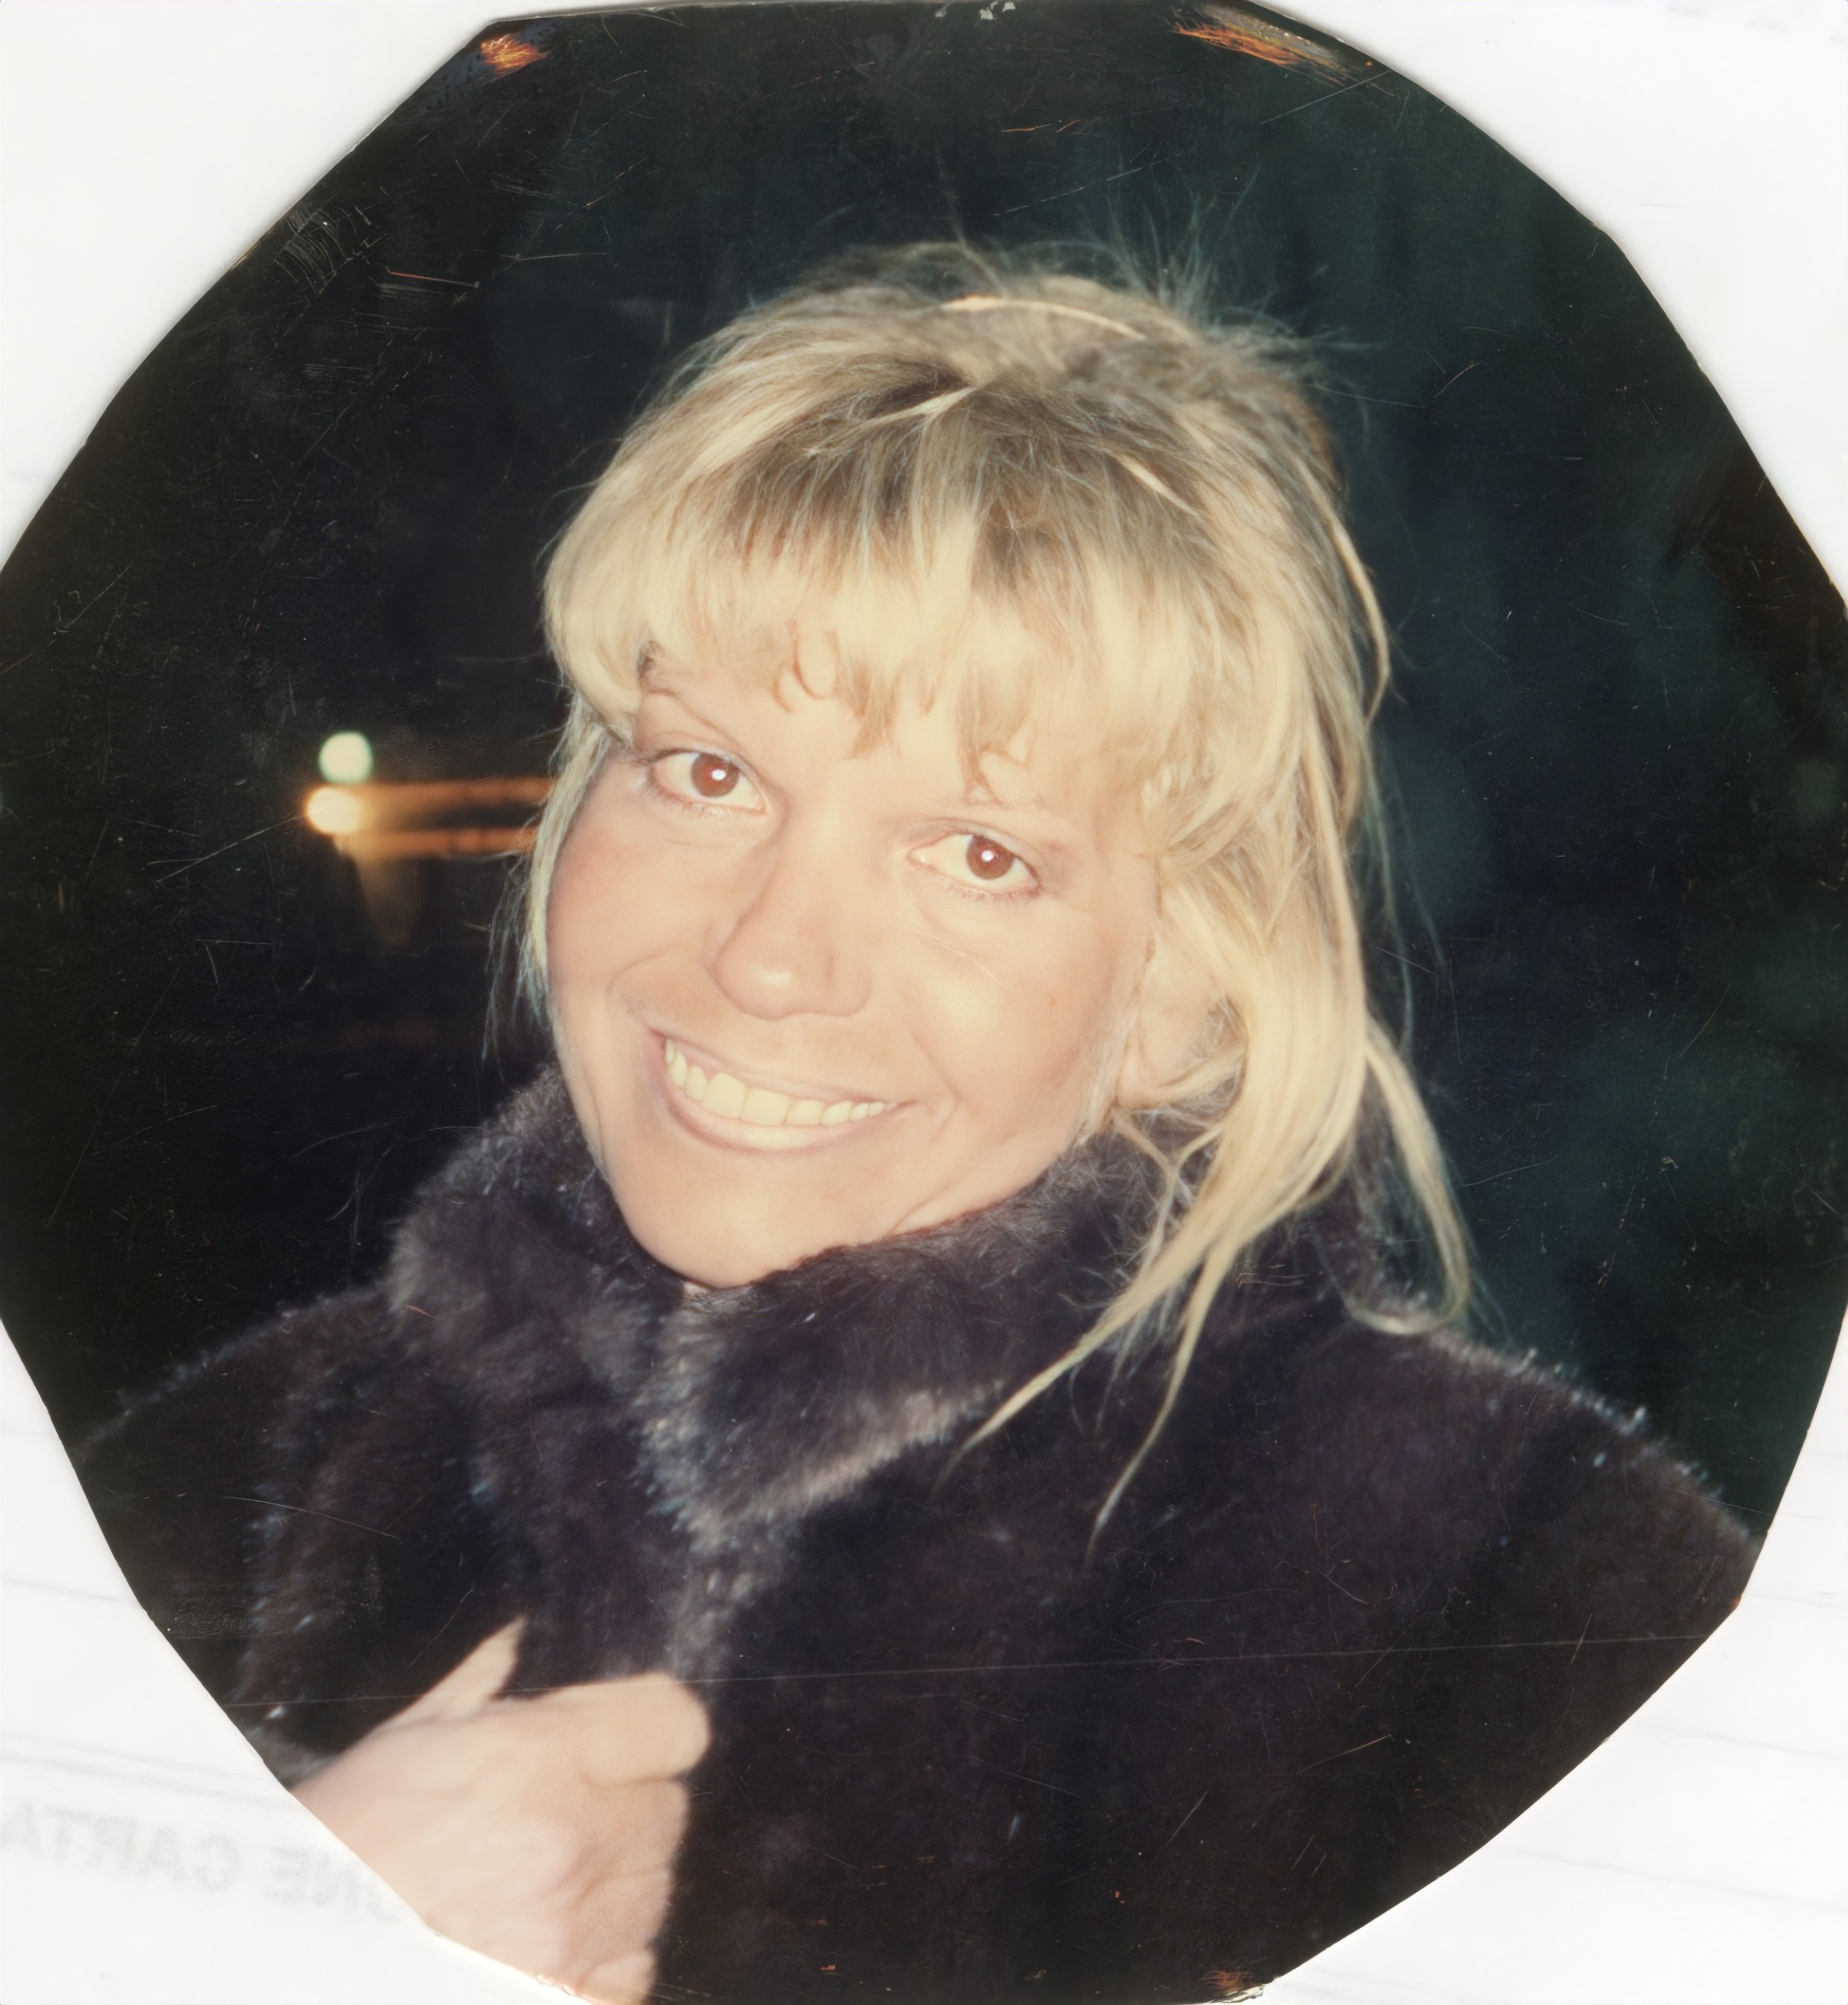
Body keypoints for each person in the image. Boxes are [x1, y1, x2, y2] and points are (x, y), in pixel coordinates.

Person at [80, 246, 1754, 2005]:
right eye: (707, 772)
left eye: (978, 853)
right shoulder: (225, 1483)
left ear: (1181, 989)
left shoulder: (1526, 1625)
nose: (769, 957)